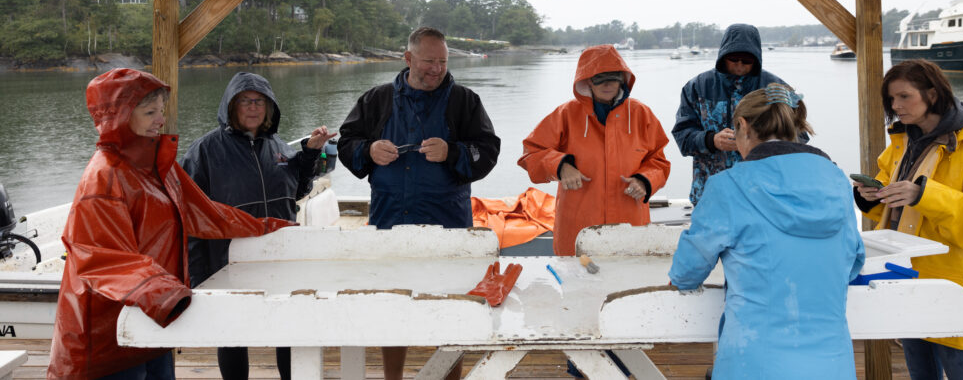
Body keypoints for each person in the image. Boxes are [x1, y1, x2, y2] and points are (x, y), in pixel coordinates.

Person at [48, 69, 292, 380]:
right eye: (150, 113)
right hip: (108, 337)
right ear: (119, 117)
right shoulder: (103, 177)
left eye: (161, 111)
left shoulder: (158, 166)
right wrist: (167, 295)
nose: (161, 120)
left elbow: (206, 214)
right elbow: (103, 258)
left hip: (155, 319)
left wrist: (268, 228)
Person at [669, 83, 865, 380]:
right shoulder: (837, 181)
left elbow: (687, 271)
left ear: (743, 126)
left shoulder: (728, 186)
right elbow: (853, 260)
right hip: (832, 363)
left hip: (753, 362)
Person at [336, 26, 500, 380]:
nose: (436, 69)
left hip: (449, 227)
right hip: (390, 224)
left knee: (453, 310)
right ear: (408, 58)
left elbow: (488, 152)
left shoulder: (465, 101)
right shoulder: (376, 99)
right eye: (428, 61)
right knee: (392, 308)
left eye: (443, 61)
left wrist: (452, 152)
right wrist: (369, 150)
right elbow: (347, 143)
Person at [853, 59, 963, 380]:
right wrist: (872, 196)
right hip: (910, 281)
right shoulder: (901, 143)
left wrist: (924, 195)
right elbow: (895, 208)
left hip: (957, 290)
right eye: (891, 98)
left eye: (904, 96)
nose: (895, 106)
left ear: (932, 94)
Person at [182, 72, 329, 380]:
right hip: (228, 262)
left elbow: (297, 190)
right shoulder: (204, 151)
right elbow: (188, 217)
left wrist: (310, 153)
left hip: (279, 260)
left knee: (287, 332)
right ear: (230, 106)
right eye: (245, 101)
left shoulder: (278, 146)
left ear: (269, 106)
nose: (253, 107)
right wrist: (196, 278)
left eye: (259, 101)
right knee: (233, 335)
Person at [519, 44, 671, 256]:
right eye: (599, 78)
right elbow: (531, 152)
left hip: (630, 226)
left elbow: (659, 162)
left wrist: (645, 181)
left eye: (613, 78)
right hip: (577, 226)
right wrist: (560, 166)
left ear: (623, 79)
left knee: (630, 273)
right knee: (577, 275)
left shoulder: (641, 114)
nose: (607, 84)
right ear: (587, 80)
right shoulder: (566, 114)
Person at [671, 22, 801, 205]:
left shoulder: (776, 88)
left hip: (764, 195)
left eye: (746, 61)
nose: (739, 65)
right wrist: (711, 140)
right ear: (723, 56)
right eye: (733, 59)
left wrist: (759, 143)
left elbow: (801, 134)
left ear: (756, 59)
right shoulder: (696, 87)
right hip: (711, 195)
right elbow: (682, 137)